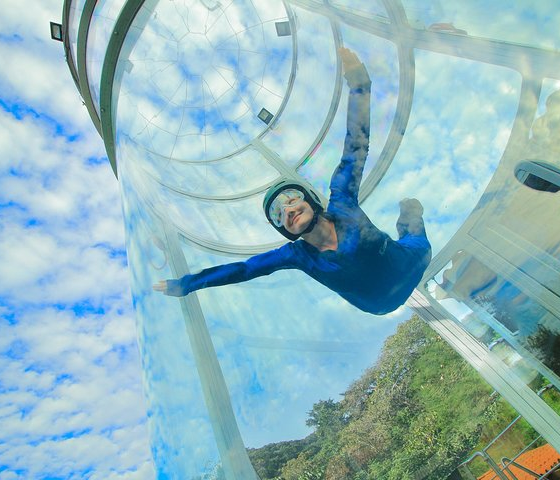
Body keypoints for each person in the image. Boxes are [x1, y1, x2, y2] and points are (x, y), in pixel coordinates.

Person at [153, 48, 432, 315]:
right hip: (380, 305)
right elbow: (244, 269)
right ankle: (409, 216)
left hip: (412, 261)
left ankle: (410, 214)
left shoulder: (342, 202)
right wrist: (187, 284)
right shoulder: (296, 255)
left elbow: (356, 147)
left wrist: (359, 84)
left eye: (290, 199)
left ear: (309, 200)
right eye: (278, 214)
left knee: (411, 226)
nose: (286, 209)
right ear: (282, 229)